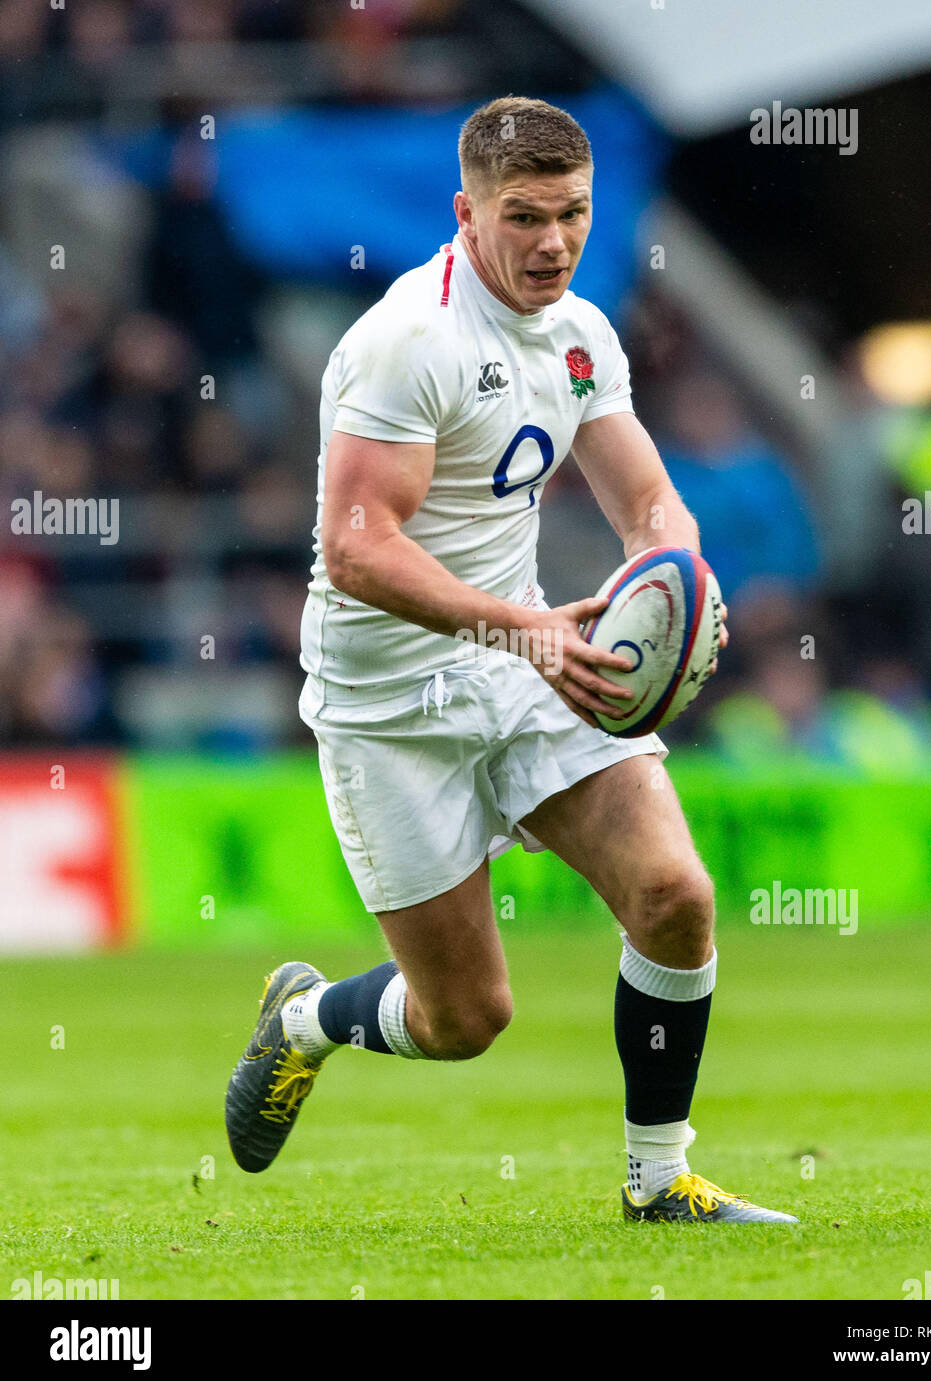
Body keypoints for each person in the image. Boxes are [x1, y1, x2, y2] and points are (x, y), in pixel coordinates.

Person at [225, 96, 796, 1225]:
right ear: (466, 214)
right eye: (523, 216)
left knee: (675, 896)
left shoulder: (581, 333)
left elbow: (645, 502)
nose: (551, 242)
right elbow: (354, 547)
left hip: (524, 658)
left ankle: (658, 1178)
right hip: (390, 699)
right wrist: (522, 626)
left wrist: (679, 577)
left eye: (573, 214)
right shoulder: (406, 341)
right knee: (465, 1019)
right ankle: (306, 1019)